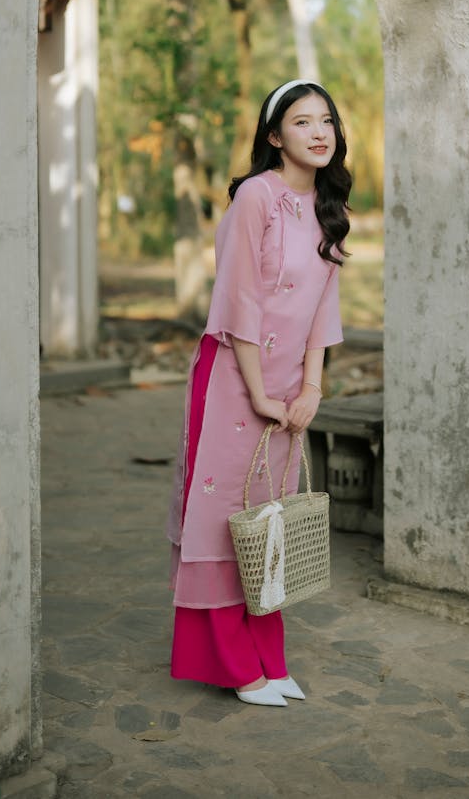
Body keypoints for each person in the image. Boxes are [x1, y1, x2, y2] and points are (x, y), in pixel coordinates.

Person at [167, 79, 351, 707]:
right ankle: (236, 665)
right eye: (302, 123)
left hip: (289, 389)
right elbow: (237, 301)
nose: (319, 132)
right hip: (232, 379)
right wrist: (260, 394)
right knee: (224, 520)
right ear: (275, 136)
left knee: (268, 520)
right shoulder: (257, 197)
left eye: (325, 120)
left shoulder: (331, 209)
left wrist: (311, 390)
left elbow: (324, 310)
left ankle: (271, 658)